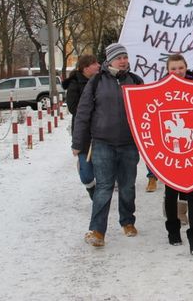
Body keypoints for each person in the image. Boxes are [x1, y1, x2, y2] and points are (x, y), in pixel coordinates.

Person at [72, 43, 143, 247]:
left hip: (129, 144)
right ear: (109, 60)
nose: (122, 60)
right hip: (103, 143)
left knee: (128, 186)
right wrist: (77, 143)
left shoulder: (136, 81)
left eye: (125, 57)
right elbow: (83, 113)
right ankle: (97, 231)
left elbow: (147, 113)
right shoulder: (96, 82)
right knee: (103, 187)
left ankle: (128, 222)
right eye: (118, 57)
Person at [162, 54, 193, 256]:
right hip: (169, 150)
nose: (177, 72)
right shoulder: (159, 91)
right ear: (167, 70)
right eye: (173, 69)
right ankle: (173, 230)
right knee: (171, 193)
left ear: (186, 68)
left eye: (180, 68)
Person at [61, 55, 100, 200]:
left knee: (101, 163)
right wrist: (91, 109)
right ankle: (90, 185)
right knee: (87, 173)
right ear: (85, 68)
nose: (98, 65)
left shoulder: (100, 81)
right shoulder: (75, 85)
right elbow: (73, 109)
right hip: (83, 130)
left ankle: (101, 193)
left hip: (100, 129)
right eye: (94, 63)